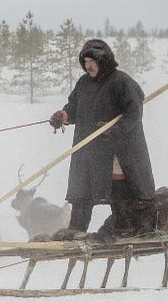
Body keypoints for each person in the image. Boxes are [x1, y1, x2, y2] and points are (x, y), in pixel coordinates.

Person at [48, 39, 157, 236]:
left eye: (92, 61)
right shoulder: (83, 83)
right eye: (85, 62)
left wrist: (117, 129)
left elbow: (134, 112)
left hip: (115, 149)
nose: (88, 66)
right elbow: (73, 108)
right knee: (82, 188)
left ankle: (123, 226)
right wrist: (62, 117)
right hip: (88, 149)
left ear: (103, 60)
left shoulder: (121, 82)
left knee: (117, 188)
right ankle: (75, 230)